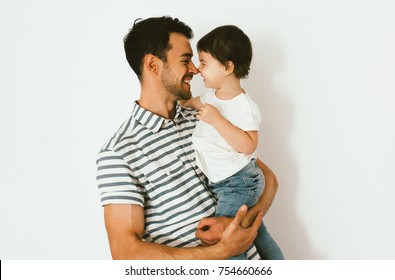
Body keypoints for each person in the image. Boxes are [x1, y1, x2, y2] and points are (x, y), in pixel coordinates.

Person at [96, 16, 280, 259]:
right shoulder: (119, 154)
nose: (195, 69)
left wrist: (238, 221)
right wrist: (221, 250)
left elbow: (266, 178)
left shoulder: (206, 116)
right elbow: (125, 253)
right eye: (186, 60)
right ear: (152, 65)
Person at [179, 25, 284, 260]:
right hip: (229, 182)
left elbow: (248, 146)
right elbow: (193, 103)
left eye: (204, 63)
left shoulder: (243, 106)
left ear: (228, 67)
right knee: (257, 233)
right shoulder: (211, 96)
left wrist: (216, 120)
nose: (198, 69)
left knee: (226, 241)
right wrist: (181, 103)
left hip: (237, 182)